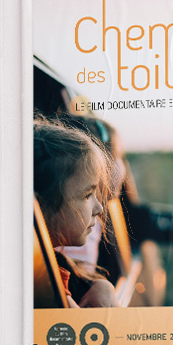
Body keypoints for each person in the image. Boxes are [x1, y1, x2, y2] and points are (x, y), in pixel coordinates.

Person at [33, 117, 118, 308]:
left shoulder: (56, 268)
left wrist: (101, 285)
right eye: (88, 195)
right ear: (41, 206)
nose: (100, 208)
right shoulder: (48, 290)